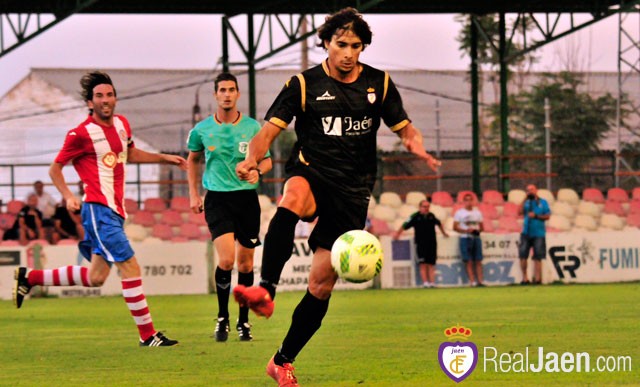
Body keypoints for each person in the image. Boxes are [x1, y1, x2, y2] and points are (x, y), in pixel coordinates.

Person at [232, 8, 441, 386]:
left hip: (354, 191)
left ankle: (282, 360)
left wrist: (417, 146)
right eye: (341, 44)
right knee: (292, 198)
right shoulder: (303, 84)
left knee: (320, 286)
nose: (348, 52)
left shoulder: (380, 83)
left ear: (363, 48)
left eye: (355, 46)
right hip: (312, 172)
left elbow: (406, 127)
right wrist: (251, 159)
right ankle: (266, 289)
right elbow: (267, 132)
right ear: (326, 43)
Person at [12, 71, 187, 347]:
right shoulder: (79, 134)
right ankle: (148, 335)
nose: (105, 100)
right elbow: (55, 169)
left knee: (96, 277)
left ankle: (30, 277)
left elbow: (129, 154)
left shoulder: (121, 125)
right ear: (90, 103)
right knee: (130, 265)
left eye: (109, 94)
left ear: (115, 98)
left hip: (114, 212)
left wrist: (163, 157)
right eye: (99, 96)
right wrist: (69, 195)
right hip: (98, 209)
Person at [187, 72, 272, 342]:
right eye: (222, 89)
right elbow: (192, 160)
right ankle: (222, 317)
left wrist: (257, 171)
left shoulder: (252, 127)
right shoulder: (201, 130)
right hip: (217, 199)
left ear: (237, 94)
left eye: (231, 89)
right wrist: (193, 194)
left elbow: (267, 161)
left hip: (246, 200)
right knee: (226, 260)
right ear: (215, 95)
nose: (226, 94)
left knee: (246, 266)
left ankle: (243, 321)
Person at [393, 199, 448, 288]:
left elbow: (439, 223)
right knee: (423, 263)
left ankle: (432, 283)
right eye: (424, 206)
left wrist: (444, 233)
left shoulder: (431, 216)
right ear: (420, 207)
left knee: (431, 263)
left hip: (432, 243)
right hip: (420, 243)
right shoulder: (415, 216)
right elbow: (405, 224)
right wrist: (397, 234)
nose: (426, 208)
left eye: (428, 207)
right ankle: (425, 283)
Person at [518, 184, 551, 285]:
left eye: (531, 189)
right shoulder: (526, 202)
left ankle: (538, 279)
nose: (530, 191)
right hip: (526, 232)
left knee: (538, 257)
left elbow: (547, 216)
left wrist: (536, 216)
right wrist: (525, 198)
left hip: (539, 233)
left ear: (536, 190)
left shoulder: (543, 202)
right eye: (528, 190)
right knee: (523, 256)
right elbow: (519, 212)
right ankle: (525, 278)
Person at [453, 193, 485, 287]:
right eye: (466, 200)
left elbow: (482, 227)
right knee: (469, 261)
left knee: (478, 260)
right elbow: (455, 227)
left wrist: (476, 230)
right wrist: (465, 230)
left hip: (475, 237)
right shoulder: (459, 213)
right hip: (465, 237)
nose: (469, 202)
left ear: (473, 201)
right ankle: (472, 281)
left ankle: (480, 281)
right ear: (463, 202)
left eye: (470, 200)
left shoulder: (477, 213)